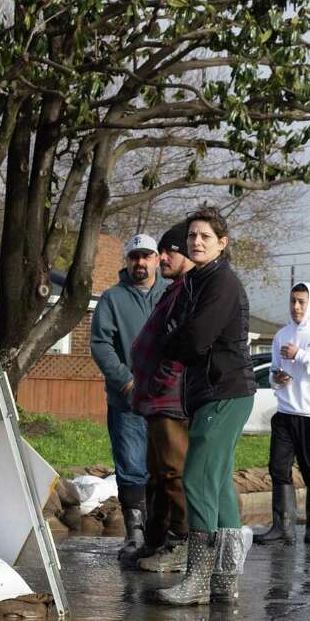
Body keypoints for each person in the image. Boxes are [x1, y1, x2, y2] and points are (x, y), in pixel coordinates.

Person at [154, 206, 256, 605]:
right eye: (192, 236)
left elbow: (193, 339)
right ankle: (224, 581)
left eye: (205, 237)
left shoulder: (222, 283)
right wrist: (176, 335)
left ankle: (197, 579)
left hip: (224, 389)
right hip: (210, 389)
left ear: (222, 244)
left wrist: (172, 340)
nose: (196, 242)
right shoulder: (197, 281)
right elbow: (177, 330)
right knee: (218, 483)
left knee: (196, 478)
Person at [91, 233, 168, 561]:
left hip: (167, 401)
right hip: (128, 401)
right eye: (134, 257)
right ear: (128, 261)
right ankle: (134, 534)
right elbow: (100, 344)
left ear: (156, 260)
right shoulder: (112, 299)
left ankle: (160, 534)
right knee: (132, 466)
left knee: (165, 468)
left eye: (146, 256)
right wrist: (124, 381)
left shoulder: (171, 294)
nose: (140, 262)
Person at [254, 282, 310, 546]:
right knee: (278, 469)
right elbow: (274, 372)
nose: (296, 307)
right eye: (293, 301)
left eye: (301, 301)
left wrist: (300, 355)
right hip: (285, 412)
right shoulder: (282, 334)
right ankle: (282, 527)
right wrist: (277, 378)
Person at [129, 223, 194, 572]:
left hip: (169, 398)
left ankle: (179, 542)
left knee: (173, 473)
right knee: (156, 474)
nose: (162, 257)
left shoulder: (188, 291)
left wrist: (162, 380)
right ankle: (154, 541)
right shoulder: (173, 290)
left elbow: (183, 348)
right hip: (154, 399)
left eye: (169, 251)